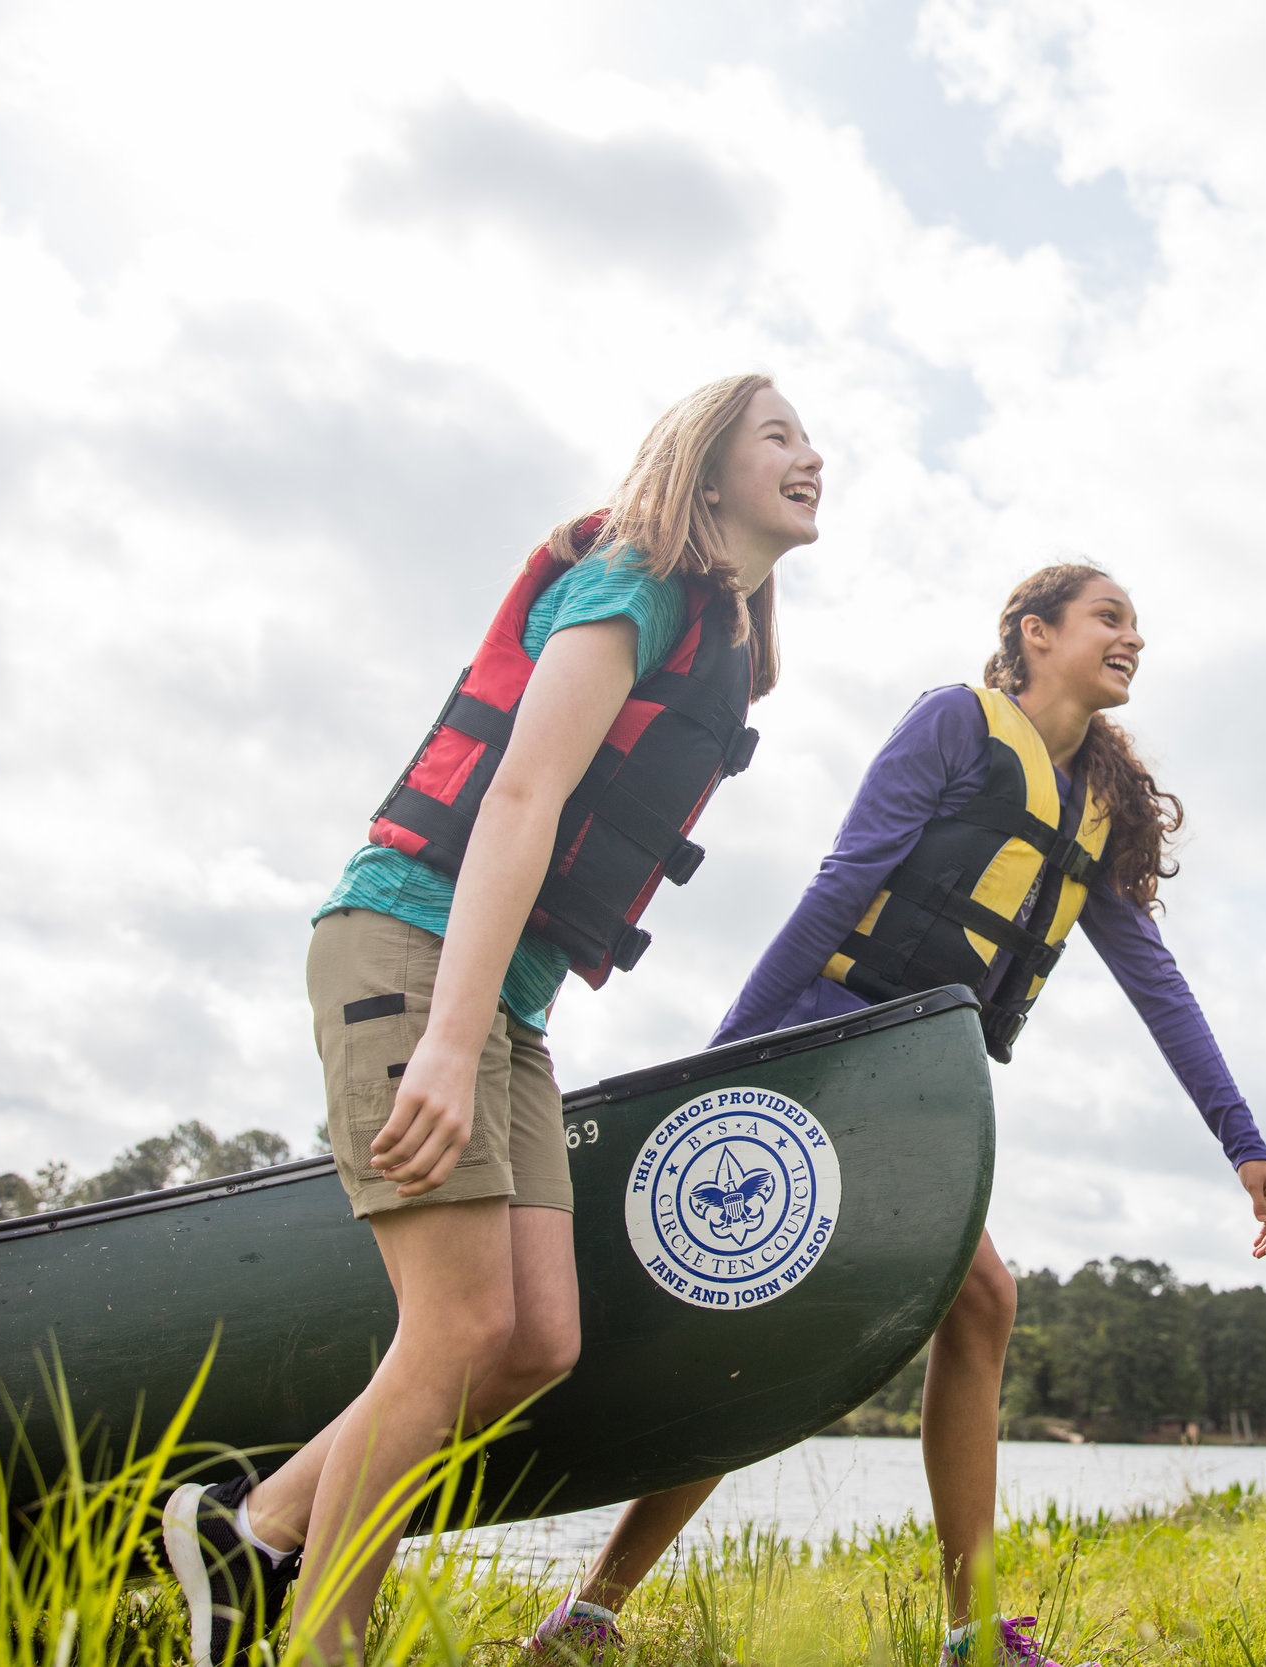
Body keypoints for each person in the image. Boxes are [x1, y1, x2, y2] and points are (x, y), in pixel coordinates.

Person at [158, 374, 825, 1667]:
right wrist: (452, 1041)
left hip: (507, 996)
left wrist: (491, 1025)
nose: (812, 454)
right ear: (704, 471)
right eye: (779, 435)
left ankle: (249, 1535)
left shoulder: (722, 634)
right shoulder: (634, 576)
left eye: (810, 435)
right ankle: (323, 1643)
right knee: (458, 1324)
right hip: (410, 943)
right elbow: (519, 797)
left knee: (532, 1340)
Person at [526, 563, 1266, 1666]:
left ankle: (937, 1630)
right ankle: (615, 1612)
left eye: (1137, 623)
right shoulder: (955, 725)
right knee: (859, 1311)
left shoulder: (1099, 806)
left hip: (923, 1080)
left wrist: (1241, 1136)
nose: (1134, 637)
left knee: (960, 1304)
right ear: (1034, 633)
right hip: (824, 1046)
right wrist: (716, 1066)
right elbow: (840, 883)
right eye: (1109, 617)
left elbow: (1155, 982)